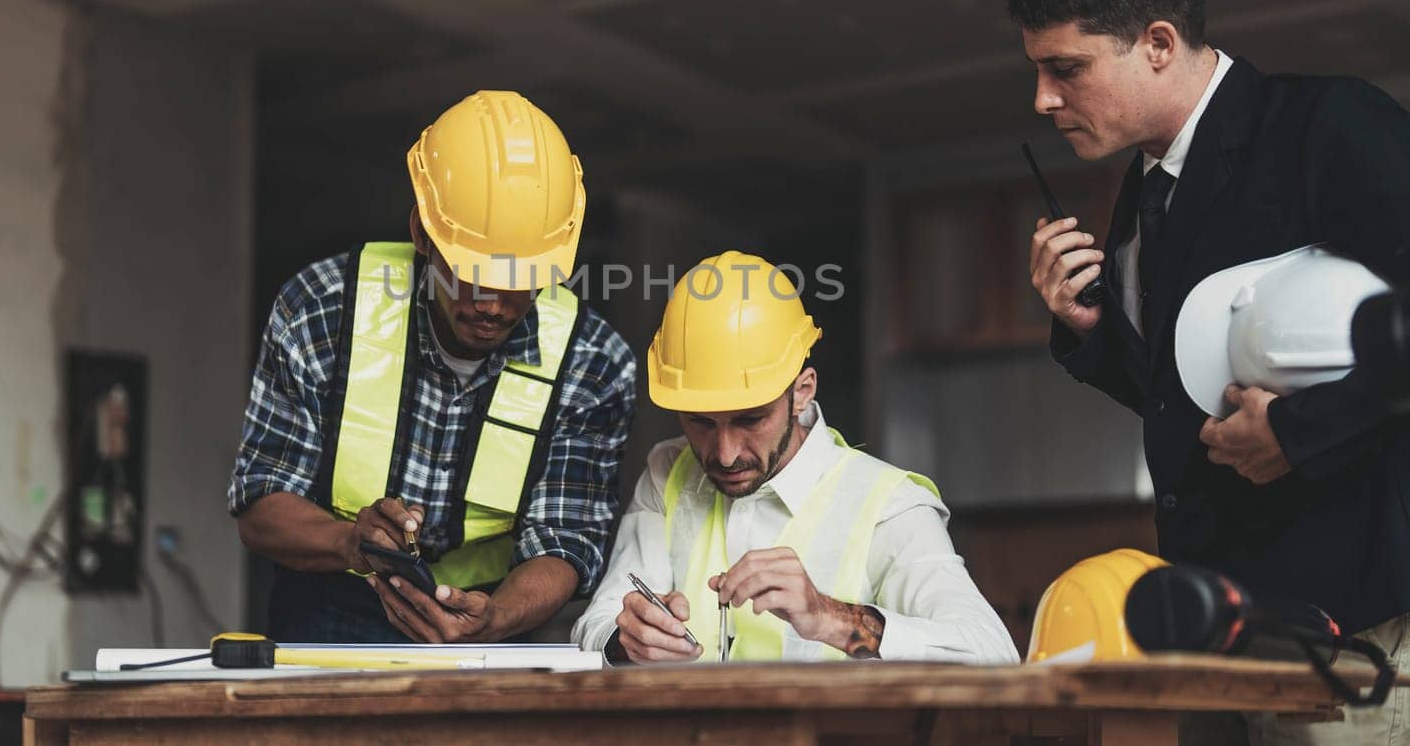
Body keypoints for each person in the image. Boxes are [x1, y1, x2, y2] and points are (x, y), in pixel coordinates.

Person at [1010, 0, 1410, 743]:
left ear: (1158, 42)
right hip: (1220, 630)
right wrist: (1088, 329)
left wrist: (1298, 431)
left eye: (1066, 68)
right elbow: (1185, 399)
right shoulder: (1144, 187)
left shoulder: (1329, 125)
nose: (1043, 98)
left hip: (1362, 628)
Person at [229, 90, 637, 644]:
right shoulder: (322, 308)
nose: (493, 303)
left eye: (520, 279)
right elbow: (260, 503)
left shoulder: (593, 362)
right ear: (422, 233)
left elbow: (566, 539)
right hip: (332, 606)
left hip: (496, 616)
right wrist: (351, 541)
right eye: (470, 272)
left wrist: (494, 620)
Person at [572, 251, 1017, 665]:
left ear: (802, 391)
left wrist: (832, 618)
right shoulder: (666, 472)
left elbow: (993, 652)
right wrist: (625, 640)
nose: (724, 455)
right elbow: (593, 627)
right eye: (701, 422)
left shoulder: (890, 506)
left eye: (750, 419)